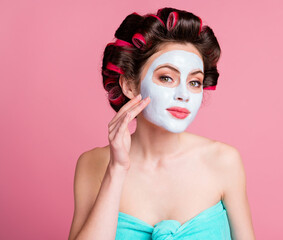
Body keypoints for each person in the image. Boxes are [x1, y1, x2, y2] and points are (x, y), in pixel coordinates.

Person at [68, 7, 256, 240]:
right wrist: (116, 170)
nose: (183, 94)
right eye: (167, 77)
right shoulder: (93, 164)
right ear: (129, 85)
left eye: (195, 82)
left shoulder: (224, 161)